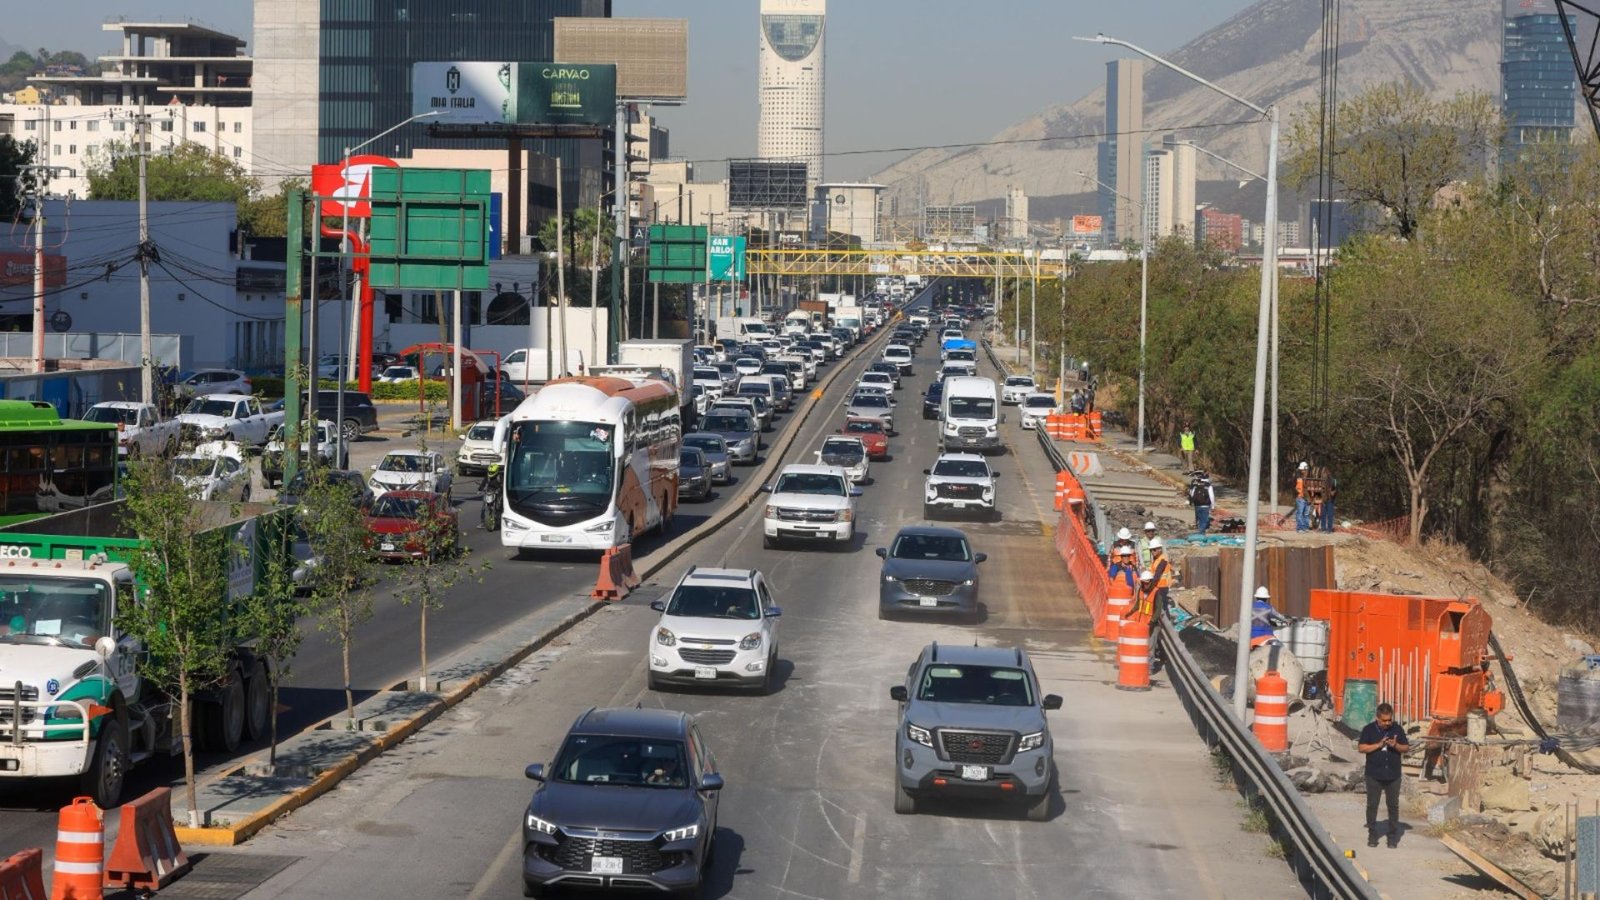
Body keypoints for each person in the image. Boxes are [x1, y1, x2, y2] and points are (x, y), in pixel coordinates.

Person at [1358, 703, 1411, 848]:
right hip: (1374, 774)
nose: (1387, 723)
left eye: (1389, 720)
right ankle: (1373, 834)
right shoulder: (1368, 730)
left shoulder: (1397, 729)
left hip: (1393, 775)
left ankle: (1392, 836)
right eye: (1384, 720)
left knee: (1393, 805)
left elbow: (1406, 748)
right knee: (1372, 805)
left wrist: (1395, 745)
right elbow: (1361, 748)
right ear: (1378, 718)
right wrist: (1378, 745)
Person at [1147, 538, 1174, 613]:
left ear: (1159, 549)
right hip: (1158, 586)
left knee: (1163, 607)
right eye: (1151, 550)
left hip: (1162, 586)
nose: (1152, 552)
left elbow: (1157, 574)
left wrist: (1149, 586)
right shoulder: (1156, 559)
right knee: (1158, 606)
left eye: (1154, 549)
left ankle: (1167, 622)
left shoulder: (1163, 560)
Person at [1318, 465, 1338, 534]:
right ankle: (1323, 528)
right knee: (1323, 514)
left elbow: (1335, 489)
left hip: (1330, 499)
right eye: (1323, 472)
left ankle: (1329, 528)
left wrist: (1332, 492)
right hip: (1323, 499)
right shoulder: (1321, 481)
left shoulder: (1333, 480)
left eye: (1325, 472)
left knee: (1330, 514)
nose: (1323, 473)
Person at [1294, 461, 1311, 532]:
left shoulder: (1310, 478)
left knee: (1306, 514)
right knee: (1300, 513)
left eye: (1303, 470)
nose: (1302, 471)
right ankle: (1300, 528)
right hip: (1301, 498)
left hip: (1308, 499)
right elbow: (1297, 488)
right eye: (1302, 470)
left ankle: (1306, 527)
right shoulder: (1299, 478)